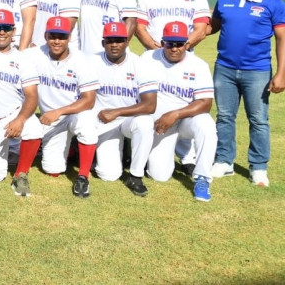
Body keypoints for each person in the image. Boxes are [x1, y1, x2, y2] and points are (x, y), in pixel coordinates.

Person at [210, 0, 285, 187]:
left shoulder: (273, 3)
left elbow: (282, 39)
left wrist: (281, 73)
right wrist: (185, 39)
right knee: (224, 117)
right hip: (224, 68)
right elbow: (212, 27)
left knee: (259, 120)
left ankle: (259, 166)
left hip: (258, 71)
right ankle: (224, 161)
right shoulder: (224, 0)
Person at [143, 21, 216, 201]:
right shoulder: (148, 58)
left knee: (206, 124)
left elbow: (206, 103)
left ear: (187, 44)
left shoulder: (198, 65)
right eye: (170, 43)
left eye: (179, 44)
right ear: (162, 43)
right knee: (159, 175)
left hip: (185, 121)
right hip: (159, 125)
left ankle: (202, 178)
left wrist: (175, 114)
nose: (174, 48)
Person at [30, 17, 99, 198]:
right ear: (45, 36)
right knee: (52, 170)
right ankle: (72, 150)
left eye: (62, 36)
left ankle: (83, 176)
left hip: (74, 113)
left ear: (69, 37)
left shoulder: (82, 60)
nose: (57, 41)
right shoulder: (36, 55)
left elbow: (89, 100)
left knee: (87, 125)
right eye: (53, 36)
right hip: (50, 119)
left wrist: (59, 111)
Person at [0, 10, 43, 196]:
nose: (2, 32)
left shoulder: (23, 60)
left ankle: (21, 174)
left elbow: (32, 96)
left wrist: (20, 120)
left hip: (10, 115)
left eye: (6, 28)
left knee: (34, 126)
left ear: (14, 31)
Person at [91, 22, 157, 196]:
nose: (114, 44)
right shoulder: (92, 61)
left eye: (119, 40)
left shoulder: (140, 63)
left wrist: (117, 112)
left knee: (144, 123)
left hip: (129, 119)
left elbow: (150, 105)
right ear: (103, 42)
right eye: (110, 40)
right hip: (102, 121)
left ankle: (135, 175)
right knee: (108, 175)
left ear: (127, 41)